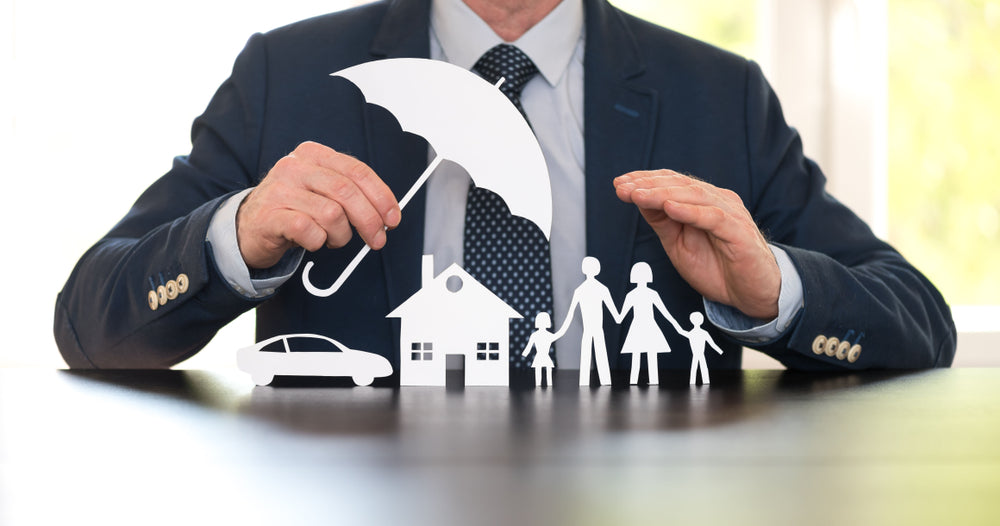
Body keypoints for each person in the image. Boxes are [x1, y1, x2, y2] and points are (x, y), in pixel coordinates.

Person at [54, 0, 956, 374]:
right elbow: (88, 321)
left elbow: (916, 320)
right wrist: (235, 231)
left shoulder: (715, 97)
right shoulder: (287, 79)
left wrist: (774, 293)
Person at [555, 257, 621, 386]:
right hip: (595, 330)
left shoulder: (580, 290)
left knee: (587, 356)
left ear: (583, 269)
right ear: (597, 269)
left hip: (590, 330)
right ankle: (603, 381)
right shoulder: (601, 289)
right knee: (599, 355)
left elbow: (569, 315)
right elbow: (616, 316)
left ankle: (588, 382)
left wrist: (559, 333)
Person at [618, 262, 679, 385]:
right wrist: (678, 327)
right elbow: (665, 313)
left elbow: (619, 318)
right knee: (649, 356)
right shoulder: (650, 294)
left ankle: (635, 381)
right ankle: (647, 381)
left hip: (642, 327)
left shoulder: (633, 295)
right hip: (646, 327)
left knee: (638, 356)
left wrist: (678, 327)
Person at [522, 312, 558, 387]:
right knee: (538, 372)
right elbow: (529, 346)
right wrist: (524, 354)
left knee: (548, 371)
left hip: (546, 356)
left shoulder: (549, 335)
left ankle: (549, 385)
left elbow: (559, 334)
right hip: (539, 356)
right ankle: (538, 384)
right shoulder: (534, 335)